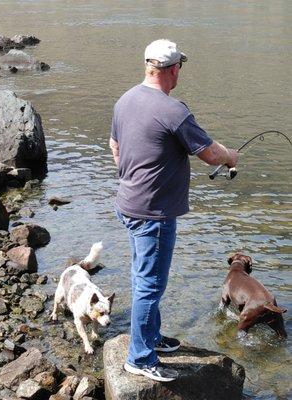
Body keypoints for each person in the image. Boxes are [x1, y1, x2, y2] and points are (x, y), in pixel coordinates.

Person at [110, 39, 238, 382]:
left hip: (128, 205)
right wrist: (230, 156)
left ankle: (151, 338)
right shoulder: (173, 110)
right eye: (180, 65)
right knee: (149, 286)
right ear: (173, 69)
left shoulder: (126, 99)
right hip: (153, 215)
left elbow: (115, 146)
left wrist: (132, 179)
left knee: (144, 280)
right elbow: (210, 153)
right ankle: (139, 358)